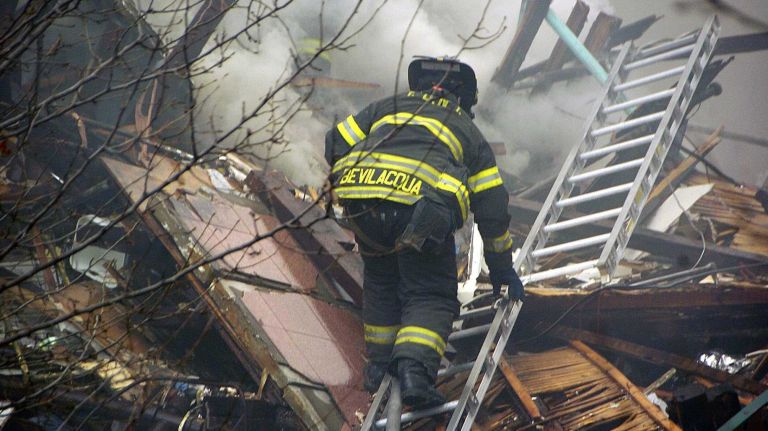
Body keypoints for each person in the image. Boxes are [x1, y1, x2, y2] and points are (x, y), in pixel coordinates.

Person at [324, 57, 524, 408]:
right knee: (430, 293)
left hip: (362, 206)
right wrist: (503, 270)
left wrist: (360, 177)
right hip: (422, 213)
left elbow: (334, 142)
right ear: (462, 98)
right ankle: (415, 374)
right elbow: (492, 211)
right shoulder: (467, 131)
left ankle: (379, 367)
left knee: (382, 280)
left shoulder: (388, 107)